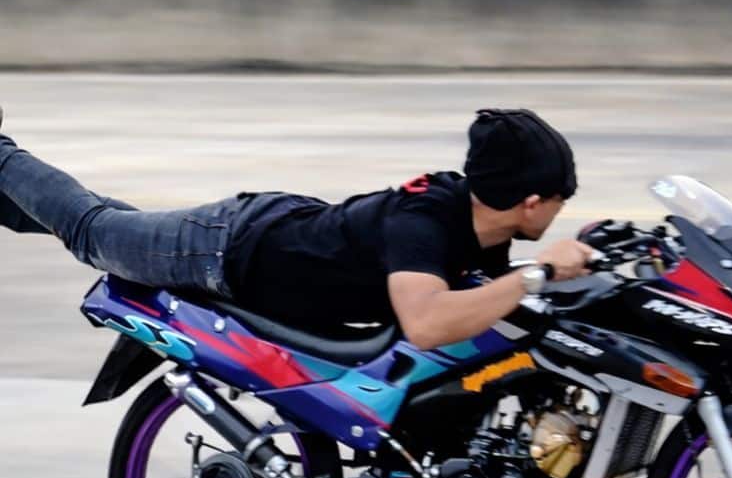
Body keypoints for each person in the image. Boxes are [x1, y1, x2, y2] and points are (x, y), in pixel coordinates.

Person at [0, 107, 592, 351]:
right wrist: (537, 274)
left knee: (112, 224)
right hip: (228, 246)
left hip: (264, 233)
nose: (564, 207)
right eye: (562, 197)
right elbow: (427, 323)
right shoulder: (427, 219)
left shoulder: (481, 227)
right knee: (94, 232)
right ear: (530, 203)